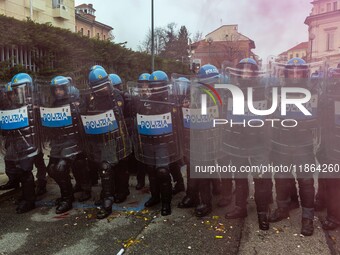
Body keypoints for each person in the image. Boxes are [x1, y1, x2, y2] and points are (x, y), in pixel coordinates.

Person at [220, 58, 272, 230]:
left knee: (261, 179)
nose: (246, 74)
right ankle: (240, 208)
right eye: (243, 70)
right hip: (237, 142)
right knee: (240, 179)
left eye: (250, 71)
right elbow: (223, 114)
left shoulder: (264, 91)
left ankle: (262, 213)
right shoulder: (230, 91)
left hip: (258, 143)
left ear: (255, 73)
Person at [268, 57, 318, 236]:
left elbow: (318, 118)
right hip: (282, 142)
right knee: (281, 178)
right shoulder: (279, 92)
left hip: (303, 144)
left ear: (304, 73)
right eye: (292, 72)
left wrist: (302, 123)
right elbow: (271, 114)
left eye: (299, 72)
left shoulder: (313, 91)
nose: (295, 75)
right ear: (287, 74)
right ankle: (282, 209)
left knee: (305, 181)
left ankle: (307, 218)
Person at [83, 67, 132, 219]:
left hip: (118, 137)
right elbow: (85, 115)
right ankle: (108, 195)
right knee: (105, 168)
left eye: (105, 85)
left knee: (120, 167)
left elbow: (128, 115)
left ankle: (116, 195)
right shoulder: (91, 99)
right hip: (101, 139)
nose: (103, 89)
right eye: (99, 87)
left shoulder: (118, 95)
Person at [131, 70, 181, 216]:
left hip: (163, 143)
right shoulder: (144, 102)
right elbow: (138, 119)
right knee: (151, 171)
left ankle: (166, 202)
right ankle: (155, 196)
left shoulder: (171, 102)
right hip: (148, 141)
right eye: (153, 86)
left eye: (158, 86)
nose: (155, 89)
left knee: (162, 171)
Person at [41, 76, 91, 214]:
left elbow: (83, 121)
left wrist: (77, 111)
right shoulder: (53, 105)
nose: (58, 91)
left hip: (74, 142)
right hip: (58, 143)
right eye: (55, 89)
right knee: (51, 169)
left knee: (62, 168)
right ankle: (67, 192)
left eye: (60, 88)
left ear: (66, 89)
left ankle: (68, 198)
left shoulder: (76, 102)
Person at [0, 73, 38, 213]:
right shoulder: (13, 106)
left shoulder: (35, 105)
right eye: (16, 90)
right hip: (17, 143)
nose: (17, 93)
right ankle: (26, 195)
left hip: (29, 143)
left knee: (25, 170)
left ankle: (29, 201)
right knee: (20, 170)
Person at [316, 66, 340, 230]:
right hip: (327, 140)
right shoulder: (331, 88)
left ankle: (335, 217)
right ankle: (322, 200)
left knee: (334, 180)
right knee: (325, 171)